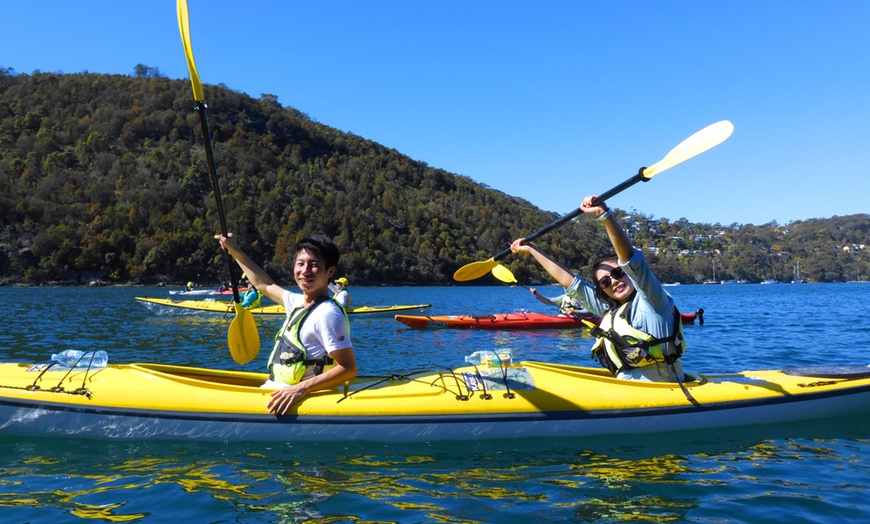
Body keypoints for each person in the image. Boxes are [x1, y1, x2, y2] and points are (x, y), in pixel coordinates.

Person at [510, 195, 686, 383]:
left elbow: (631, 260)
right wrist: (531, 250)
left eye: (618, 273)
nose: (614, 282)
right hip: (626, 385)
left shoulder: (653, 300)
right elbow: (571, 283)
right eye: (605, 282)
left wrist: (605, 215)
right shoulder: (612, 310)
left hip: (662, 390)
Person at [216, 233, 357, 414]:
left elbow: (348, 368)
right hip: (279, 388)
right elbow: (263, 284)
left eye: (314, 265)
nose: (305, 271)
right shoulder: (298, 303)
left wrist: (302, 389)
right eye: (300, 264)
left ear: (330, 272)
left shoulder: (327, 314)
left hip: (296, 396)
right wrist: (234, 250)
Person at [528, 287, 594, 319]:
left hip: (575, 320)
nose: (564, 288)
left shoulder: (580, 298)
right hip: (562, 318)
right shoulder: (563, 297)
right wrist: (536, 294)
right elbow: (549, 301)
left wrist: (574, 311)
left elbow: (590, 312)